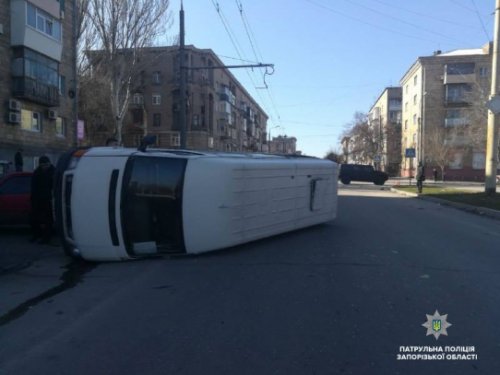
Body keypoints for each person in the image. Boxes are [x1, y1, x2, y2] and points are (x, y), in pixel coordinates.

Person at [30, 156, 55, 244]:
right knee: (34, 219)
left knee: (48, 220)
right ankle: (36, 235)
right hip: (37, 199)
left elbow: (55, 187)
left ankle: (46, 238)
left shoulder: (53, 172)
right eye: (43, 165)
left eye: (46, 165)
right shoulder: (37, 172)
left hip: (48, 200)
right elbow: (33, 187)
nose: (45, 167)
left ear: (49, 163)